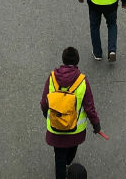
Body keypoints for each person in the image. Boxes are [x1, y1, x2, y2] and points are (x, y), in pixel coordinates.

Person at [40, 47, 101, 179]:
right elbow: (89, 107)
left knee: (59, 156)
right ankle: (69, 165)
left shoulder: (52, 78)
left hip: (56, 127)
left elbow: (44, 102)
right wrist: (96, 124)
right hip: (75, 130)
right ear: (77, 61)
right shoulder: (82, 81)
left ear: (63, 60)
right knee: (72, 148)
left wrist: (47, 115)